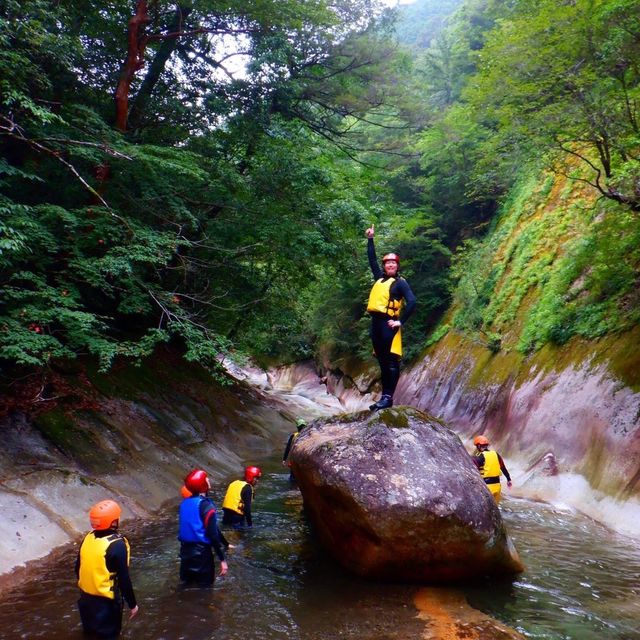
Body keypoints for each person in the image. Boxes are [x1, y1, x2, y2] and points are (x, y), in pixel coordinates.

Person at [365, 223, 417, 410]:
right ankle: (384, 398)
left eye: (393, 263)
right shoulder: (379, 278)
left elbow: (412, 302)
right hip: (375, 324)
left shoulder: (400, 283)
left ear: (397, 266)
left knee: (391, 361)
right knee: (381, 361)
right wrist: (370, 239)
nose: (390, 265)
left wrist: (400, 321)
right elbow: (371, 260)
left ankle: (388, 397)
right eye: (388, 263)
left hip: (389, 325)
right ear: (385, 266)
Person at [76, 499, 139, 639]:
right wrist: (133, 604)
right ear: (113, 522)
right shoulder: (117, 544)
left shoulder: (88, 537)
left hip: (86, 600)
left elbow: (78, 568)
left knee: (90, 634)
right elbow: (124, 579)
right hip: (106, 604)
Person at [178, 469, 229, 587]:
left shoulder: (184, 504)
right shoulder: (206, 506)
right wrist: (222, 560)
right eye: (206, 479)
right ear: (203, 484)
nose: (208, 480)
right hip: (202, 556)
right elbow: (213, 535)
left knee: (186, 587)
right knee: (205, 590)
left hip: (185, 554)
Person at [472, 435, 513, 502]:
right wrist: (509, 479)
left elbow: (474, 468)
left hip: (487, 487)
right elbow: (503, 467)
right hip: (497, 487)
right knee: (495, 509)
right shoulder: (495, 454)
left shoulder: (480, 456)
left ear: (479, 446)